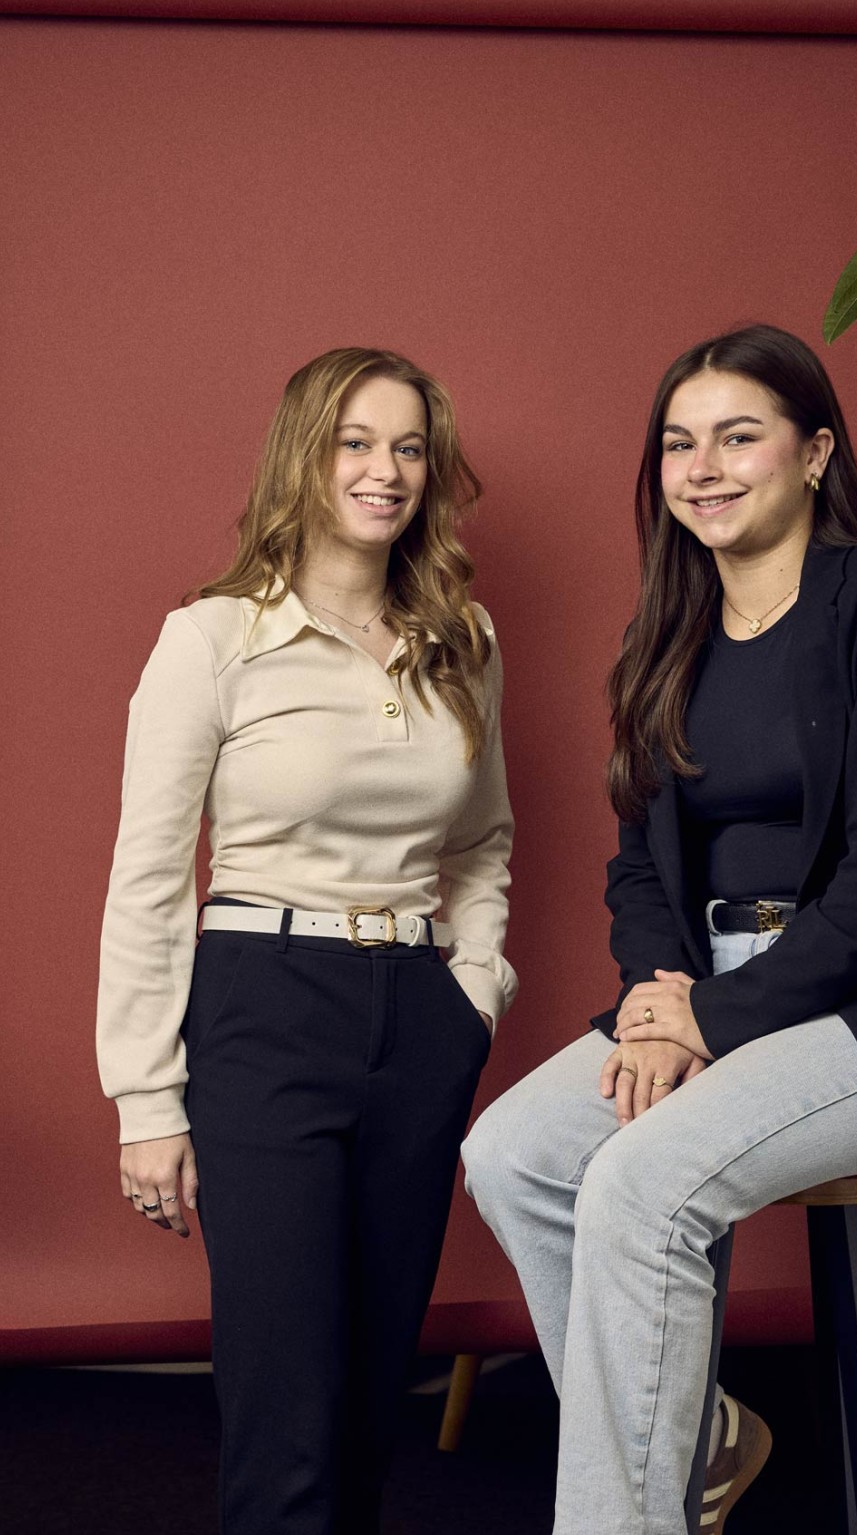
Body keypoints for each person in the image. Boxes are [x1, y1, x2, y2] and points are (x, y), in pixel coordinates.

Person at [462, 324, 857, 1535]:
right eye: (679, 443)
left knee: (638, 1179)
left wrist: (706, 1018)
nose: (703, 467)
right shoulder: (663, 634)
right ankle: (700, 1435)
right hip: (703, 982)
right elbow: (638, 864)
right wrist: (660, 996)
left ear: (814, 453)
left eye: (737, 436)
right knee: (513, 1152)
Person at [96, 347, 516, 1535]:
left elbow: (483, 841)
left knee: (373, 1393)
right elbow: (148, 877)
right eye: (355, 442)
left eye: (409, 447)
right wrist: (145, 1098)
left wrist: (473, 991)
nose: (385, 470)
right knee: (287, 1397)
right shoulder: (212, 638)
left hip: (418, 1013)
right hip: (263, 1001)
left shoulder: (464, 638)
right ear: (302, 456)